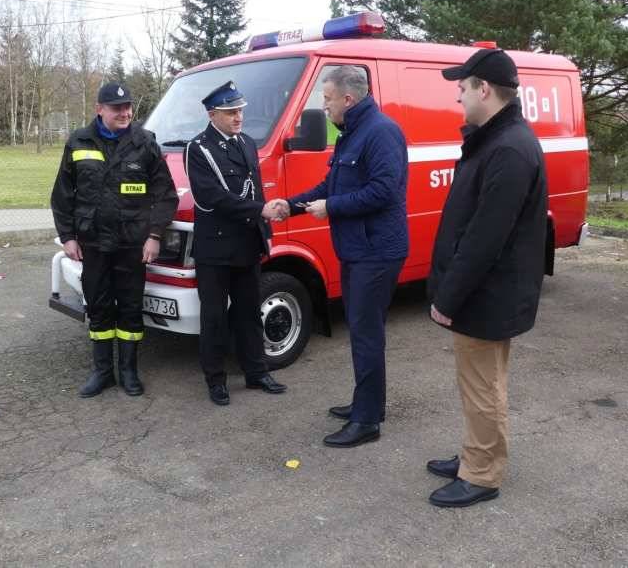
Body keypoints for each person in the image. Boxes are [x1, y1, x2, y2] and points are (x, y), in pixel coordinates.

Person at [425, 48, 548, 508]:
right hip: (485, 292)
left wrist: (448, 297)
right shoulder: (495, 140)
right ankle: (472, 455)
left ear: (484, 89)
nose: (457, 96)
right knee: (478, 381)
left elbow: (484, 239)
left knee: (483, 385)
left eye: (462, 87)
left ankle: (482, 474)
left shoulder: (509, 148)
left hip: (488, 294)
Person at [277, 65, 408, 447]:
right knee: (362, 331)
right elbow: (330, 184)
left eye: (328, 98)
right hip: (358, 249)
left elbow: (384, 190)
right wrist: (293, 205)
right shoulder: (353, 133)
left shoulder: (381, 131)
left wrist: (331, 208)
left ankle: (367, 421)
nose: (325, 105)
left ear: (348, 99)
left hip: (376, 251)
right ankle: (367, 404)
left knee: (367, 334)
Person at [51, 82, 178, 398]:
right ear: (99, 109)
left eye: (127, 107)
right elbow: (62, 195)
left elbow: (166, 196)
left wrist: (154, 236)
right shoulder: (78, 141)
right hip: (93, 243)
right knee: (98, 306)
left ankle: (129, 372)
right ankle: (103, 372)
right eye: (116, 107)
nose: (124, 112)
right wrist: (68, 236)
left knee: (131, 309)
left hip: (132, 245)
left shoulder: (144, 142)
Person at [185, 81, 288, 406]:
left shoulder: (246, 143)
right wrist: (260, 210)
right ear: (212, 114)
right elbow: (210, 196)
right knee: (214, 318)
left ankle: (256, 372)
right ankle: (216, 380)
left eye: (240, 110)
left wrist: (264, 229)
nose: (238, 117)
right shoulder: (198, 149)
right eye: (231, 112)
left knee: (249, 313)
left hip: (246, 243)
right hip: (215, 249)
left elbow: (254, 189)